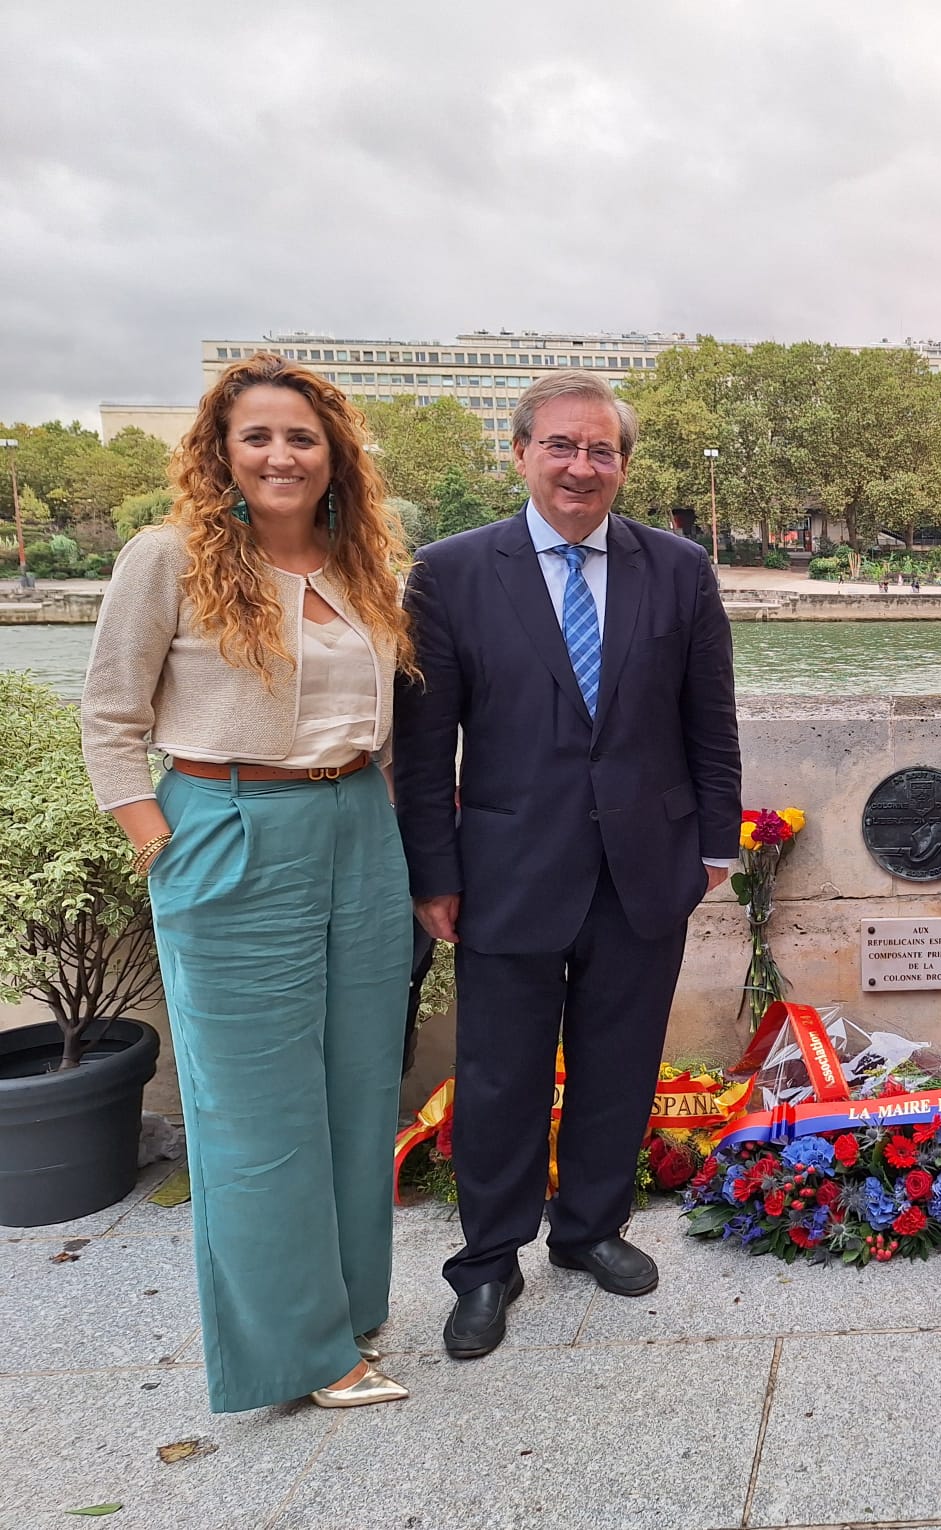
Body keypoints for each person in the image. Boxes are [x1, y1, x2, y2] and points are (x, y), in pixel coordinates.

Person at [80, 354, 416, 1411]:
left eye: (302, 437)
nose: (282, 454)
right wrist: (158, 843)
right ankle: (299, 1354)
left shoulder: (361, 568)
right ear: (221, 451)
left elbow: (387, 724)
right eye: (259, 436)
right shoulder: (167, 557)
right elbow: (110, 720)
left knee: (361, 1088)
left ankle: (351, 1304)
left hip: (359, 826)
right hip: (226, 824)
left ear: (334, 457)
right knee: (257, 1111)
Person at [393, 371, 741, 1360]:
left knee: (618, 1065)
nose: (581, 467)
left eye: (601, 451)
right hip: (504, 870)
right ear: (521, 454)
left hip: (645, 867)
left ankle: (589, 1228)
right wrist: (433, 872)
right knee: (499, 1075)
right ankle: (489, 1263)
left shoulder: (678, 569)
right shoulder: (451, 574)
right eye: (561, 446)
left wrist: (715, 844)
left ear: (623, 465)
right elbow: (425, 749)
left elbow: (708, 721)